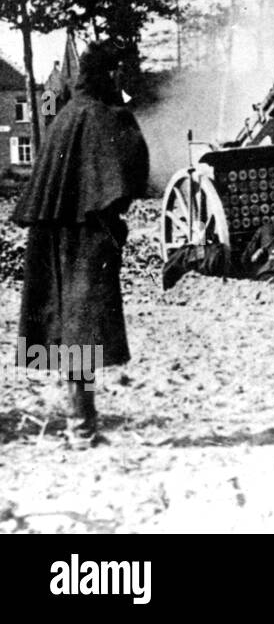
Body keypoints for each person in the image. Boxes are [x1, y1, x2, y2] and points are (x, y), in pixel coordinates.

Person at [12, 41, 150, 445]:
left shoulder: (65, 116)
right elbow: (130, 175)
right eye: (118, 73)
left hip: (51, 237)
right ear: (109, 74)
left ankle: (80, 424)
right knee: (84, 329)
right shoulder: (106, 117)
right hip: (87, 237)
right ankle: (83, 430)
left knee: (67, 330)